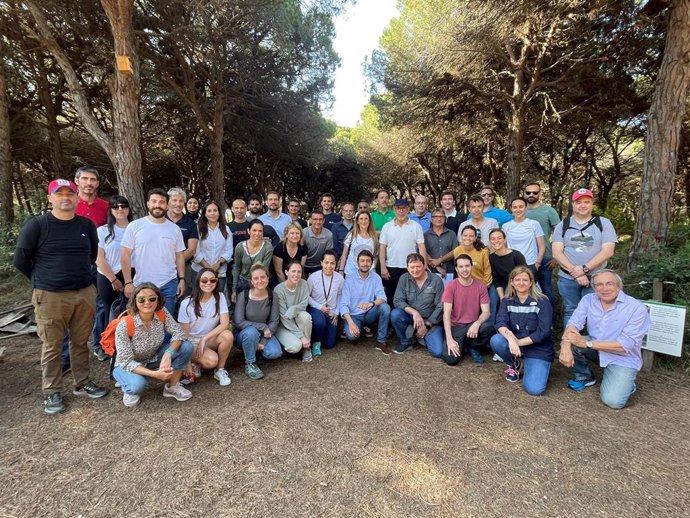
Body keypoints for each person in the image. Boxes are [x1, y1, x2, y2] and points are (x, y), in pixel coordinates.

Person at [14, 179, 108, 414]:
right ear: (50, 198)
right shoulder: (37, 225)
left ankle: (82, 382)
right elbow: (21, 261)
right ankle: (52, 390)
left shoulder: (86, 225)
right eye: (60, 193)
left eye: (70, 193)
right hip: (50, 295)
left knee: (80, 342)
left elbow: (91, 256)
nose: (66, 197)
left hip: (84, 292)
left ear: (77, 197)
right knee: (52, 345)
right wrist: (45, 281)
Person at [559, 269, 650, 409]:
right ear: (594, 287)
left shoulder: (637, 308)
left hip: (622, 357)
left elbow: (625, 345)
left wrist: (586, 343)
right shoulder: (588, 299)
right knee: (572, 341)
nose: (604, 288)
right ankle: (585, 377)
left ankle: (627, 383)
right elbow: (574, 323)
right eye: (599, 284)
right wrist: (565, 346)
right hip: (595, 347)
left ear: (619, 286)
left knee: (613, 401)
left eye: (609, 284)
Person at [112, 283, 194, 407]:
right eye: (141, 299)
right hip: (126, 364)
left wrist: (168, 354)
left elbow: (179, 333)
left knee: (186, 346)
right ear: (135, 301)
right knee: (138, 386)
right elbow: (126, 361)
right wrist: (155, 374)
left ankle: (172, 387)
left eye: (152, 298)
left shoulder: (161, 313)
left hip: (152, 357)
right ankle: (128, 383)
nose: (147, 303)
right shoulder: (125, 324)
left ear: (158, 299)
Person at [552, 188, 617, 326]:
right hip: (568, 278)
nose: (583, 205)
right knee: (571, 310)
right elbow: (557, 252)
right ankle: (569, 344)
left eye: (586, 202)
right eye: (578, 202)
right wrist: (576, 273)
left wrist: (585, 269)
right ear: (573, 204)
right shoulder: (563, 225)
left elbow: (608, 251)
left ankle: (593, 344)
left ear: (592, 203)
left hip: (596, 277)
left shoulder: (603, 223)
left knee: (596, 310)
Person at [121, 189, 186, 315]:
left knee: (166, 324)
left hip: (168, 283)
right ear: (148, 204)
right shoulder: (135, 226)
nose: (158, 205)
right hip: (141, 284)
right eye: (154, 201)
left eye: (162, 202)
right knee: (141, 325)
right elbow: (125, 255)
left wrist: (182, 279)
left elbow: (179, 256)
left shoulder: (174, 229)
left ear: (167, 206)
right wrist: (128, 282)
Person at [490, 266, 554, 395]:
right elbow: (500, 323)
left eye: (525, 280)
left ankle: (534, 366)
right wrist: (510, 339)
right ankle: (515, 363)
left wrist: (517, 342)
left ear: (531, 282)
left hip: (538, 348)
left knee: (534, 389)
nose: (521, 283)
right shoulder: (507, 301)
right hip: (516, 346)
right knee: (496, 340)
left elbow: (543, 331)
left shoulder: (543, 302)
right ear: (512, 282)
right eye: (517, 280)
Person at [73, 166, 109, 367]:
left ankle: (100, 344)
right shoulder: (69, 204)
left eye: (93, 179)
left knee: (102, 305)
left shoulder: (104, 206)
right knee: (74, 307)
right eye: (85, 179)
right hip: (75, 264)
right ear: (77, 181)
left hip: (99, 263)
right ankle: (67, 354)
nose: (89, 183)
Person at [178, 268, 234, 386]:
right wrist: (187, 364)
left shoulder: (220, 297)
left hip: (207, 340)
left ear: (216, 282)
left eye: (212, 280)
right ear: (198, 282)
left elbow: (225, 323)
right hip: (191, 343)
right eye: (204, 281)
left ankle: (220, 370)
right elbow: (184, 335)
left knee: (227, 335)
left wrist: (205, 339)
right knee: (211, 360)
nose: (208, 283)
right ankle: (195, 363)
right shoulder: (187, 303)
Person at [94, 195, 133, 360]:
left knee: (129, 311)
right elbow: (99, 258)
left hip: (131, 275)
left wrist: (128, 281)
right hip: (107, 276)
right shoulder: (102, 231)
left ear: (129, 209)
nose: (120, 209)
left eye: (123, 206)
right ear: (110, 210)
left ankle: (125, 346)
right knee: (107, 311)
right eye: (116, 206)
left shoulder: (135, 228)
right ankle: (104, 345)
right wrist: (113, 280)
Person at [441, 254, 494, 365]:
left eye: (467, 266)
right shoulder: (451, 286)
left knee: (488, 327)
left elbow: (486, 312)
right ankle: (462, 344)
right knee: (451, 360)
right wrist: (450, 340)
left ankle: (473, 347)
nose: (464, 269)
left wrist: (477, 323)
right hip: (456, 327)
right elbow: (446, 315)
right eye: (461, 267)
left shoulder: (480, 286)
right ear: (456, 268)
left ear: (471, 267)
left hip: (472, 326)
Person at [234, 264, 283, 380]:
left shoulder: (273, 296)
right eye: (256, 278)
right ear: (251, 281)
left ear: (267, 278)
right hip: (245, 334)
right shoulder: (244, 296)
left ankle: (256, 352)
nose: (260, 281)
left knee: (274, 353)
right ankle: (250, 363)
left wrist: (263, 341)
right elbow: (239, 321)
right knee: (251, 332)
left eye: (263, 277)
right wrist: (262, 326)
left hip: (264, 334)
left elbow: (274, 321)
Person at [391, 253, 445, 357]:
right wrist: (414, 312)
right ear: (407, 268)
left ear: (424, 266)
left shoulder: (436, 280)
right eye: (412, 267)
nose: (415, 270)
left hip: (431, 321)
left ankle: (418, 335)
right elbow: (397, 300)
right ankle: (406, 341)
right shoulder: (403, 278)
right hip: (411, 318)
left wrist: (427, 325)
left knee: (438, 352)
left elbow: (441, 306)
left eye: (418, 266)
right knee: (395, 314)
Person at [340, 250, 392, 354]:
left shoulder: (375, 278)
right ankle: (358, 329)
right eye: (362, 261)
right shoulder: (349, 279)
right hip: (354, 316)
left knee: (385, 307)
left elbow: (383, 298)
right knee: (353, 337)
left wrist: (371, 304)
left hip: (369, 314)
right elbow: (343, 304)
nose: (365, 264)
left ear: (372, 263)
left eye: (368, 261)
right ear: (357, 262)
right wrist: (351, 323)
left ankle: (381, 341)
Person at [379, 198, 427, 305]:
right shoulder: (387, 227)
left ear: (408, 209)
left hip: (411, 268)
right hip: (391, 267)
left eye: (404, 208)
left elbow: (421, 247)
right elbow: (382, 248)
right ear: (394, 210)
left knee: (410, 297)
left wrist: (424, 266)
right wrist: (383, 266)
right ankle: (392, 321)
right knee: (391, 297)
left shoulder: (415, 226)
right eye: (398, 208)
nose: (401, 211)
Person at [524, 182, 560, 307]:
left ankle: (550, 322)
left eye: (535, 192)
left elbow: (560, 233)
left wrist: (557, 256)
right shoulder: (520, 211)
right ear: (524, 193)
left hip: (545, 256)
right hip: (525, 258)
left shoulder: (549, 211)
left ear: (540, 194)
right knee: (527, 291)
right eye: (528, 192)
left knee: (546, 290)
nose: (531, 195)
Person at [452, 225, 496, 323]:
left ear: (476, 238)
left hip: (485, 285)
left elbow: (488, 273)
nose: (468, 238)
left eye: (471, 236)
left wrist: (480, 290)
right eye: (465, 235)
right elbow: (459, 271)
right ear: (461, 236)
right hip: (467, 285)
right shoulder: (457, 251)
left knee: (490, 306)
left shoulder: (483, 252)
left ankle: (490, 331)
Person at [274, 261, 314, 362]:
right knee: (296, 346)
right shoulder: (279, 290)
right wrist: (301, 337)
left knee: (305, 316)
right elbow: (284, 317)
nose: (296, 274)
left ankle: (306, 349)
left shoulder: (304, 284)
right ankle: (287, 343)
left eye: (299, 272)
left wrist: (292, 310)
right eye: (293, 271)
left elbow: (304, 304)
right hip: (283, 326)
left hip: (296, 320)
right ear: (286, 272)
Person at [307, 250, 344, 355]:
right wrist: (320, 307)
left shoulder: (340, 279)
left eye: (332, 263)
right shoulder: (313, 277)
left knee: (329, 344)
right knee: (319, 322)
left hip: (331, 312)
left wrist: (337, 312)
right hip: (316, 309)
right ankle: (316, 342)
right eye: (326, 262)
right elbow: (307, 297)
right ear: (321, 263)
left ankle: (323, 334)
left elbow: (340, 296)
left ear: (336, 264)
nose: (329, 266)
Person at [192, 200, 233, 292]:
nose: (212, 213)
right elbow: (195, 251)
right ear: (205, 214)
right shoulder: (198, 229)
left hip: (219, 272)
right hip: (199, 271)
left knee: (217, 299)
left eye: (215, 210)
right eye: (209, 211)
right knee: (198, 299)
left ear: (219, 213)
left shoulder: (226, 229)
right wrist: (208, 268)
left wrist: (217, 265)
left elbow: (229, 250)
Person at [231, 219, 273, 303]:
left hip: (260, 282)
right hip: (243, 282)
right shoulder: (240, 247)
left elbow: (264, 269)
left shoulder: (267, 247)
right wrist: (234, 289)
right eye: (254, 230)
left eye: (260, 231)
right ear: (248, 231)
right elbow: (237, 268)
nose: (257, 234)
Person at [166, 188, 199, 292]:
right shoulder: (160, 220)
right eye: (174, 200)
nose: (178, 204)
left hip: (185, 268)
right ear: (168, 202)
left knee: (183, 299)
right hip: (161, 268)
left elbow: (191, 249)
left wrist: (174, 263)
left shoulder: (191, 224)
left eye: (181, 201)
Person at [502, 196, 545, 275]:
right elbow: (503, 247)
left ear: (526, 207)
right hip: (512, 264)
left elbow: (542, 246)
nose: (518, 210)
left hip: (531, 264)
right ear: (511, 209)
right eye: (515, 207)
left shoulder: (534, 224)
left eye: (521, 207)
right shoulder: (506, 226)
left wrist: (537, 264)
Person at [488, 229, 527, 300]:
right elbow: (497, 280)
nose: (496, 241)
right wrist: (502, 298)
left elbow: (525, 276)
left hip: (519, 283)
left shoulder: (516, 255)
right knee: (493, 298)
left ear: (504, 240)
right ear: (490, 241)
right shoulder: (491, 258)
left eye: (499, 238)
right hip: (503, 284)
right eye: (493, 239)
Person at [339, 210, 378, 277]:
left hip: (368, 273)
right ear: (357, 221)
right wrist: (341, 271)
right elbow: (344, 254)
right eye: (361, 219)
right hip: (351, 272)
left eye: (366, 219)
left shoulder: (374, 237)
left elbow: (375, 256)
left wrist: (372, 268)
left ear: (369, 221)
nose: (364, 221)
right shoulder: (352, 235)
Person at [424, 209, 457, 280]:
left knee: (448, 291)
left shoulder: (451, 234)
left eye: (441, 216)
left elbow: (455, 251)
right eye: (436, 216)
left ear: (445, 219)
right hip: (431, 271)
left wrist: (440, 260)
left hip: (449, 271)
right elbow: (424, 253)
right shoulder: (425, 235)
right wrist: (436, 266)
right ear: (431, 219)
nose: (439, 219)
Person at [303, 210, 334, 277]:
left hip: (320, 265)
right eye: (315, 219)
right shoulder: (303, 233)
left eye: (320, 219)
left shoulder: (329, 234)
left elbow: (328, 254)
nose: (318, 222)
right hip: (304, 264)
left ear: (324, 221)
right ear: (310, 220)